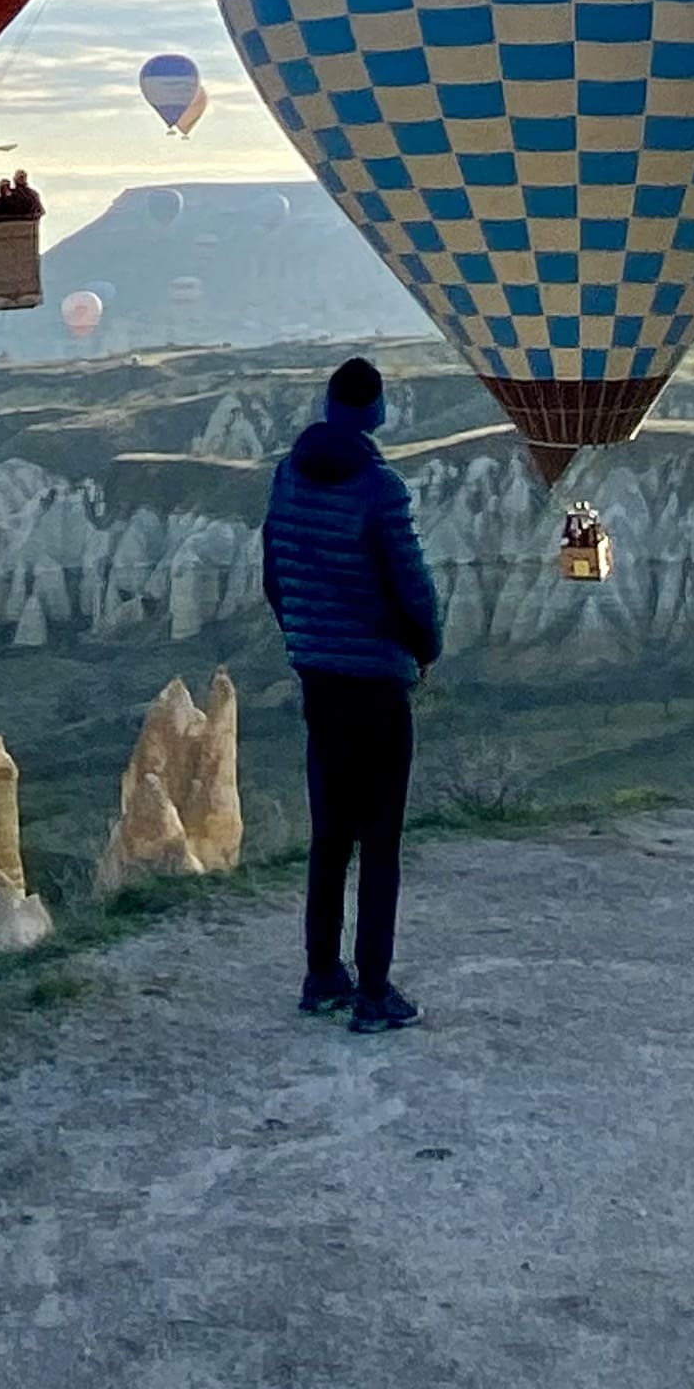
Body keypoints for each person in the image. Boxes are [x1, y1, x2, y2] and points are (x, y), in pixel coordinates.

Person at [261, 358, 442, 1032]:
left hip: (320, 678)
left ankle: (321, 975)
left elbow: (274, 572)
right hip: (376, 684)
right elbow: (411, 586)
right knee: (381, 841)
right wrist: (425, 648)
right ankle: (374, 993)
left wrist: (304, 641)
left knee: (330, 834)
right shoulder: (379, 489)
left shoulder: (286, 476)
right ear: (375, 411)